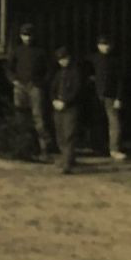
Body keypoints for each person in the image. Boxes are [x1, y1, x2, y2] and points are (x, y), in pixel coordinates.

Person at [5, 23, 53, 156]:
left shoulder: (40, 51)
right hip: (20, 87)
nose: (27, 38)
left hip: (35, 87)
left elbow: (49, 70)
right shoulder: (17, 50)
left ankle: (44, 148)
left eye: (29, 35)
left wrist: (41, 84)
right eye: (24, 35)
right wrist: (14, 80)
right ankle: (23, 147)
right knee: (20, 117)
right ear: (21, 36)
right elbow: (9, 68)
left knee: (39, 117)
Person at [87, 35, 128, 161]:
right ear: (98, 45)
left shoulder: (116, 61)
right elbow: (85, 73)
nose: (105, 47)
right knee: (97, 123)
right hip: (96, 96)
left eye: (107, 44)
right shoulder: (92, 59)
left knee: (114, 123)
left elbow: (120, 80)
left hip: (111, 96)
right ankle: (97, 147)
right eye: (102, 44)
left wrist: (119, 98)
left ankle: (114, 149)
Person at [50, 45, 83, 174]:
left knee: (69, 134)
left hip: (71, 107)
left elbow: (77, 90)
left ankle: (67, 163)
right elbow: (52, 89)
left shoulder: (76, 73)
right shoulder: (58, 73)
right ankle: (67, 158)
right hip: (58, 106)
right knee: (60, 134)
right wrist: (54, 101)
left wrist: (65, 101)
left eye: (65, 58)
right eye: (60, 59)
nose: (63, 61)